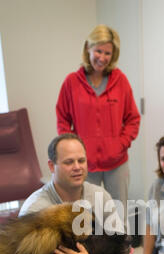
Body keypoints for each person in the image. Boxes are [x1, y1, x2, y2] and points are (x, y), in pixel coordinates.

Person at [56, 24, 140, 220]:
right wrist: (72, 149)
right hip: (84, 163)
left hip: (117, 163)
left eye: (108, 53)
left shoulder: (121, 81)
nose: (102, 57)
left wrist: (120, 144)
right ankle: (87, 251)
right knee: (85, 215)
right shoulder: (71, 82)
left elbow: (133, 118)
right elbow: (62, 118)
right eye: (98, 51)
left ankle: (122, 250)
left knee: (118, 214)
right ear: (88, 48)